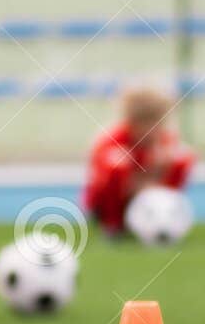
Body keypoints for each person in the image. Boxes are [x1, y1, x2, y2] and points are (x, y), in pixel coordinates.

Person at [83, 86, 195, 236]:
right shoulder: (111, 140)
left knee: (182, 157)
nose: (150, 129)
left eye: (156, 122)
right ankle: (113, 225)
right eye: (144, 122)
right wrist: (137, 179)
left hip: (147, 193)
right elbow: (99, 180)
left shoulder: (166, 141)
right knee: (117, 164)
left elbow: (178, 161)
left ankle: (164, 214)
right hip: (109, 201)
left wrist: (156, 177)